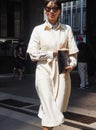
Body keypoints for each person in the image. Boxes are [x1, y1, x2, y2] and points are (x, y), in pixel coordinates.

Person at [27, 0, 79, 130]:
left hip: (62, 73)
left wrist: (71, 65)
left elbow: (73, 54)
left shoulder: (67, 29)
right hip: (43, 71)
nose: (51, 11)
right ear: (44, 10)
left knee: (56, 107)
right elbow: (33, 55)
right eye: (48, 8)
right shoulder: (38, 30)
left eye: (55, 8)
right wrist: (52, 53)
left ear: (60, 10)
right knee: (48, 104)